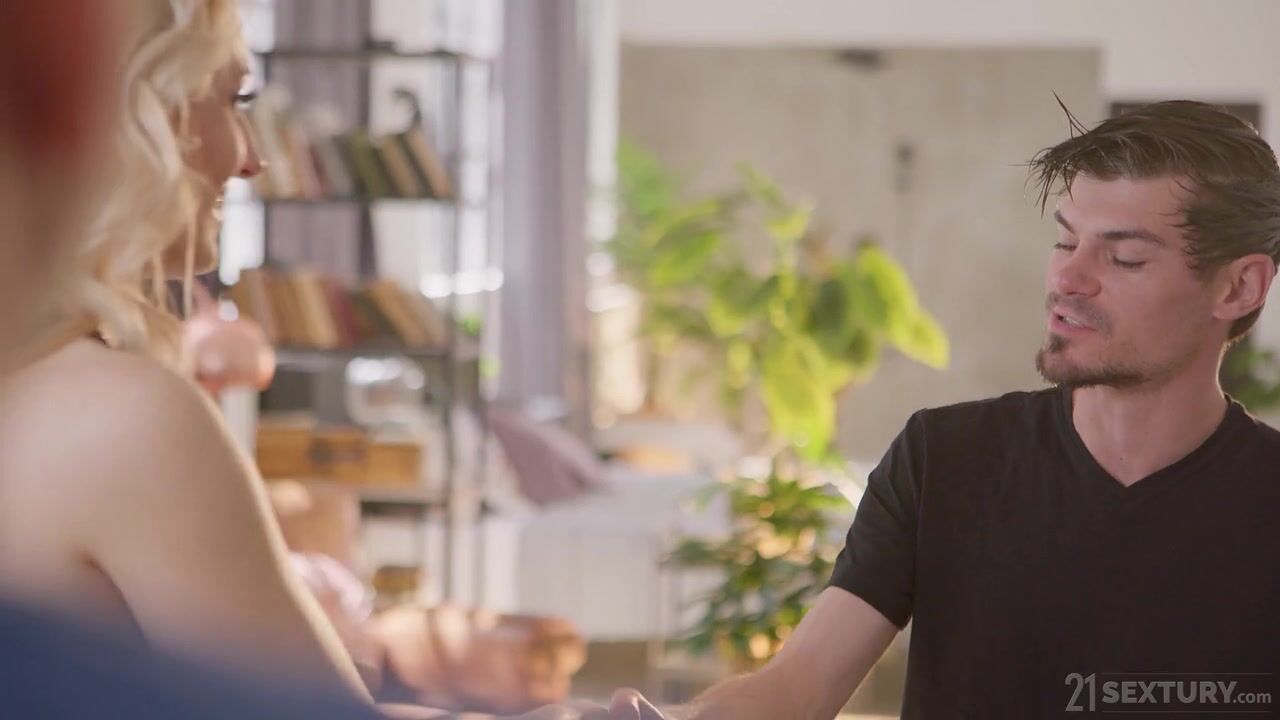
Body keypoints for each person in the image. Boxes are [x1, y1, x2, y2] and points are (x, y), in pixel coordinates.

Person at [597, 101, 1280, 718]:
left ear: (1239, 287)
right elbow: (796, 688)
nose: (1068, 278)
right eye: (1066, 241)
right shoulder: (945, 459)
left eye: (1124, 257)